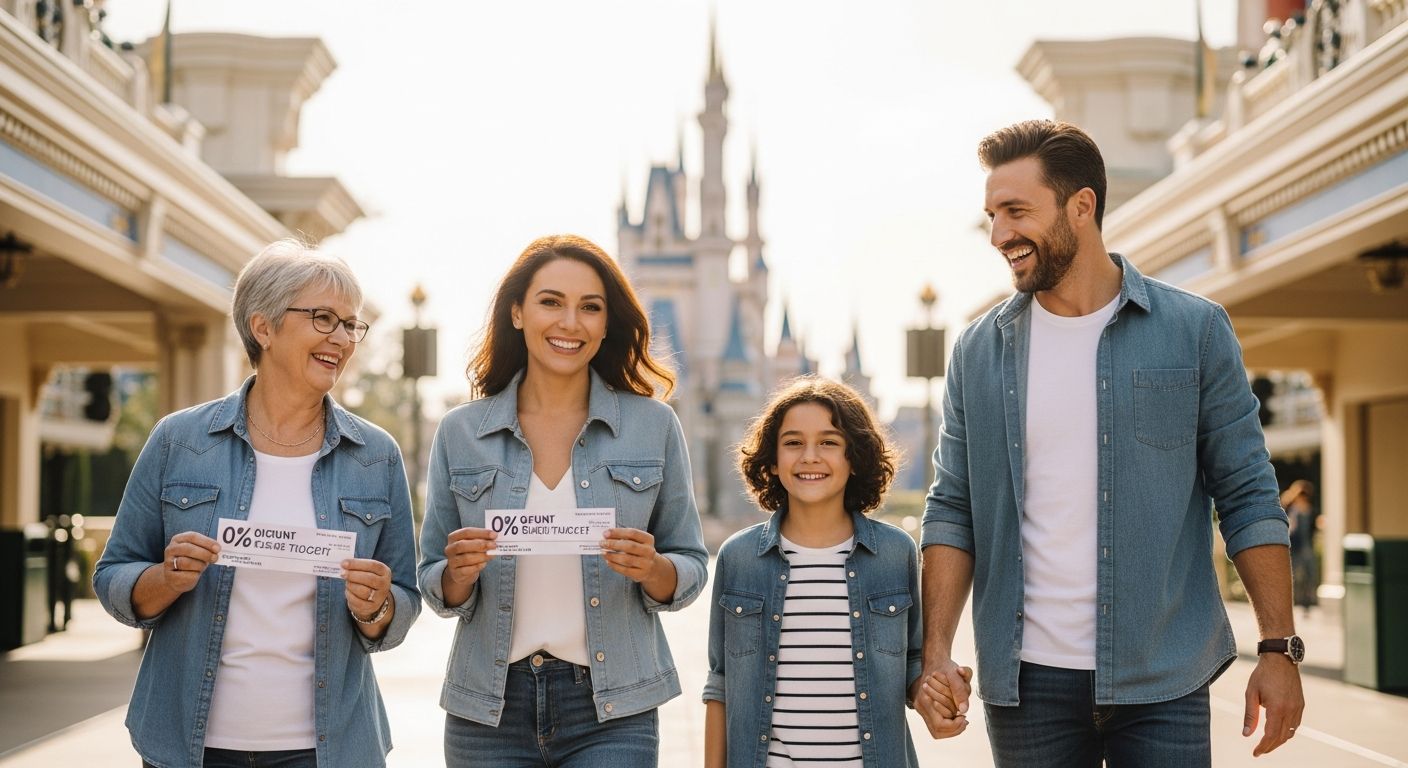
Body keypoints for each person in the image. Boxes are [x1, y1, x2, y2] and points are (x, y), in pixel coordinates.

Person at [913, 120, 1305, 766]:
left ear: (1082, 206)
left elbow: (1247, 495)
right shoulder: (978, 353)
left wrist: (1278, 648)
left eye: (1016, 211)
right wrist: (935, 655)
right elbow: (953, 508)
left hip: (1165, 675)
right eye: (991, 216)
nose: (999, 234)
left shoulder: (1195, 331)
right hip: (1028, 685)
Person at [93, 239, 421, 768]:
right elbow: (113, 575)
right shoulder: (178, 440)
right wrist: (165, 579)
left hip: (329, 750)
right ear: (263, 327)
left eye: (349, 324)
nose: (341, 338)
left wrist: (377, 607)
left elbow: (403, 597)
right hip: (187, 746)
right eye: (323, 318)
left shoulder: (376, 455)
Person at [417, 234, 708, 768]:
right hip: (488, 712)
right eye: (551, 302)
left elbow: (690, 562)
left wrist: (653, 569)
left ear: (607, 322)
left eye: (590, 307)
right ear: (517, 313)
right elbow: (434, 578)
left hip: (612, 709)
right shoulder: (460, 432)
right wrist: (456, 574)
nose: (570, 323)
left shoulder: (654, 425)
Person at [704, 376, 923, 768]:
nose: (809, 456)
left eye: (829, 442)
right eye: (793, 443)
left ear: (854, 457)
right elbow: (721, 685)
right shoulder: (738, 558)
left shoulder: (896, 553)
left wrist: (937, 693)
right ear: (772, 460)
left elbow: (916, 664)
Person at [1282, 480, 1319, 611]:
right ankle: (1294, 600)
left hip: (1307, 546)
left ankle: (1307, 600)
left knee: (1310, 574)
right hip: (1294, 546)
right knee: (1294, 575)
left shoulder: (1309, 510)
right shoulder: (1289, 509)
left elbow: (1312, 528)